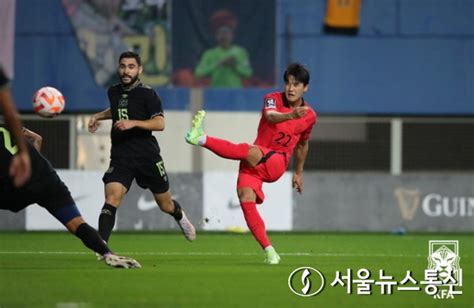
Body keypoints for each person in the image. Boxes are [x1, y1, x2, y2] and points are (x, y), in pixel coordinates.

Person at [0, 66, 140, 269]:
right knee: (76, 223)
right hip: (42, 175)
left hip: (10, 182)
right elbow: (33, 136)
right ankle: (108, 253)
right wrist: (26, 151)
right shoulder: (7, 122)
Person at [185, 63, 317, 264]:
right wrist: (290, 115)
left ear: (305, 88)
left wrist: (298, 173)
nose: (290, 88)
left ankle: (201, 138)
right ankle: (270, 251)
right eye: (287, 83)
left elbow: (302, 145)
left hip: (276, 162)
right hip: (255, 161)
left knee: (247, 150)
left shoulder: (310, 116)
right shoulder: (272, 99)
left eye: (296, 84)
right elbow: (270, 117)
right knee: (246, 198)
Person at [88, 51, 196, 249]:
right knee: (112, 197)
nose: (126, 71)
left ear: (139, 70)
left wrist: (133, 123)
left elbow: (160, 123)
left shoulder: (148, 93)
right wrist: (98, 116)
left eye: (131, 67)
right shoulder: (113, 91)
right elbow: (117, 109)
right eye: (122, 66)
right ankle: (102, 246)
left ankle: (179, 215)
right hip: (121, 156)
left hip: (147, 157)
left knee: (165, 205)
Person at [194, 9, 252, 88]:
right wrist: (218, 64)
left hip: (235, 93)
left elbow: (248, 73)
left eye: (226, 34)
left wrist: (235, 66)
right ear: (216, 37)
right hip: (217, 92)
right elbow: (199, 73)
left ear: (232, 36)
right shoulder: (209, 54)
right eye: (221, 34)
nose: (224, 37)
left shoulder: (240, 52)